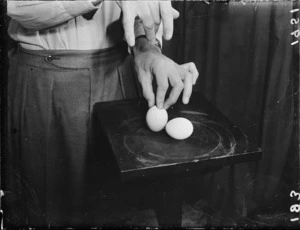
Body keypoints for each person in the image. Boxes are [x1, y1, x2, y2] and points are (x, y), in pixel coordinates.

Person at [5, 0, 199, 227]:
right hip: (48, 77)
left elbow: (137, 13)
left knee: (112, 205)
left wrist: (147, 48)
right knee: (50, 203)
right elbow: (19, 8)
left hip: (116, 72)